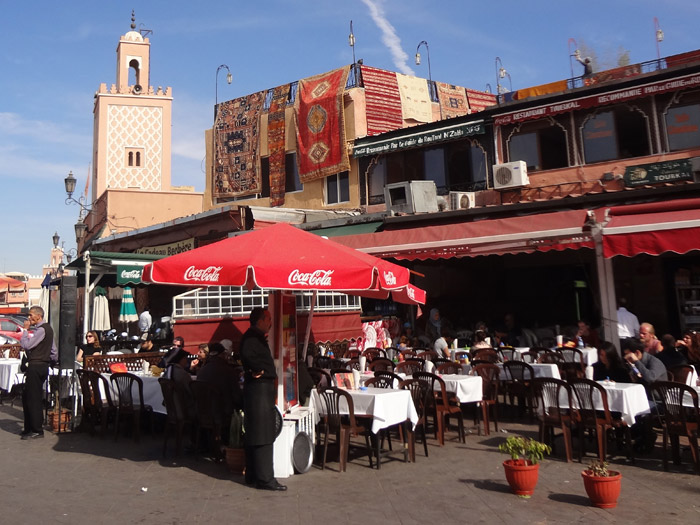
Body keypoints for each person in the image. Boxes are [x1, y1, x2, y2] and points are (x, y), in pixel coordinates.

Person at [239, 307, 286, 491]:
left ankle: (253, 474)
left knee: (257, 434)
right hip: (258, 392)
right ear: (260, 320)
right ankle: (265, 478)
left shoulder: (254, 337)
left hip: (259, 391)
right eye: (268, 319)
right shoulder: (251, 338)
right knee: (263, 435)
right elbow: (248, 357)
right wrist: (258, 370)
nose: (270, 322)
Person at [20, 306, 56, 439]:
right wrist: (52, 361)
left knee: (33, 398)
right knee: (29, 396)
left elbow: (27, 345)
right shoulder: (48, 329)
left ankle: (36, 429)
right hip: (42, 365)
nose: (29, 318)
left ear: (38, 316)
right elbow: (53, 350)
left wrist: (24, 331)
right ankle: (30, 427)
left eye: (30, 315)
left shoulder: (41, 330)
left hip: (36, 365)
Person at [164, 348, 196, 420]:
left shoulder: (167, 372)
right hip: (183, 409)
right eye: (185, 358)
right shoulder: (181, 374)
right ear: (179, 360)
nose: (186, 361)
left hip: (171, 409)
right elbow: (192, 391)